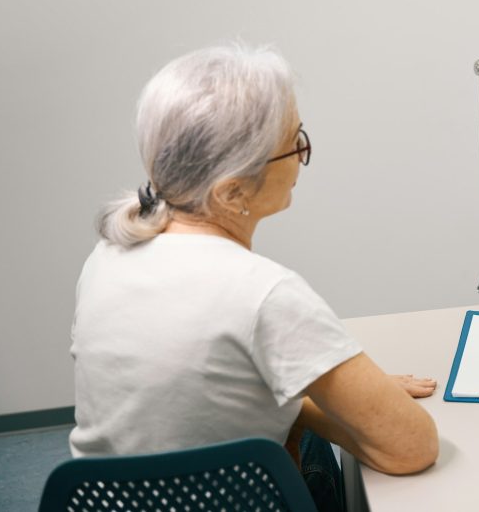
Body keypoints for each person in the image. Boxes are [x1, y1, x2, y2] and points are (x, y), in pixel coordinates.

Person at [70, 44, 438, 510]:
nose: (303, 155)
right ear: (232, 190)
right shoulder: (265, 294)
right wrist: (340, 402)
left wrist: (304, 393)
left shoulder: (106, 257)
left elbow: (177, 406)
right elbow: (414, 447)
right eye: (294, 143)